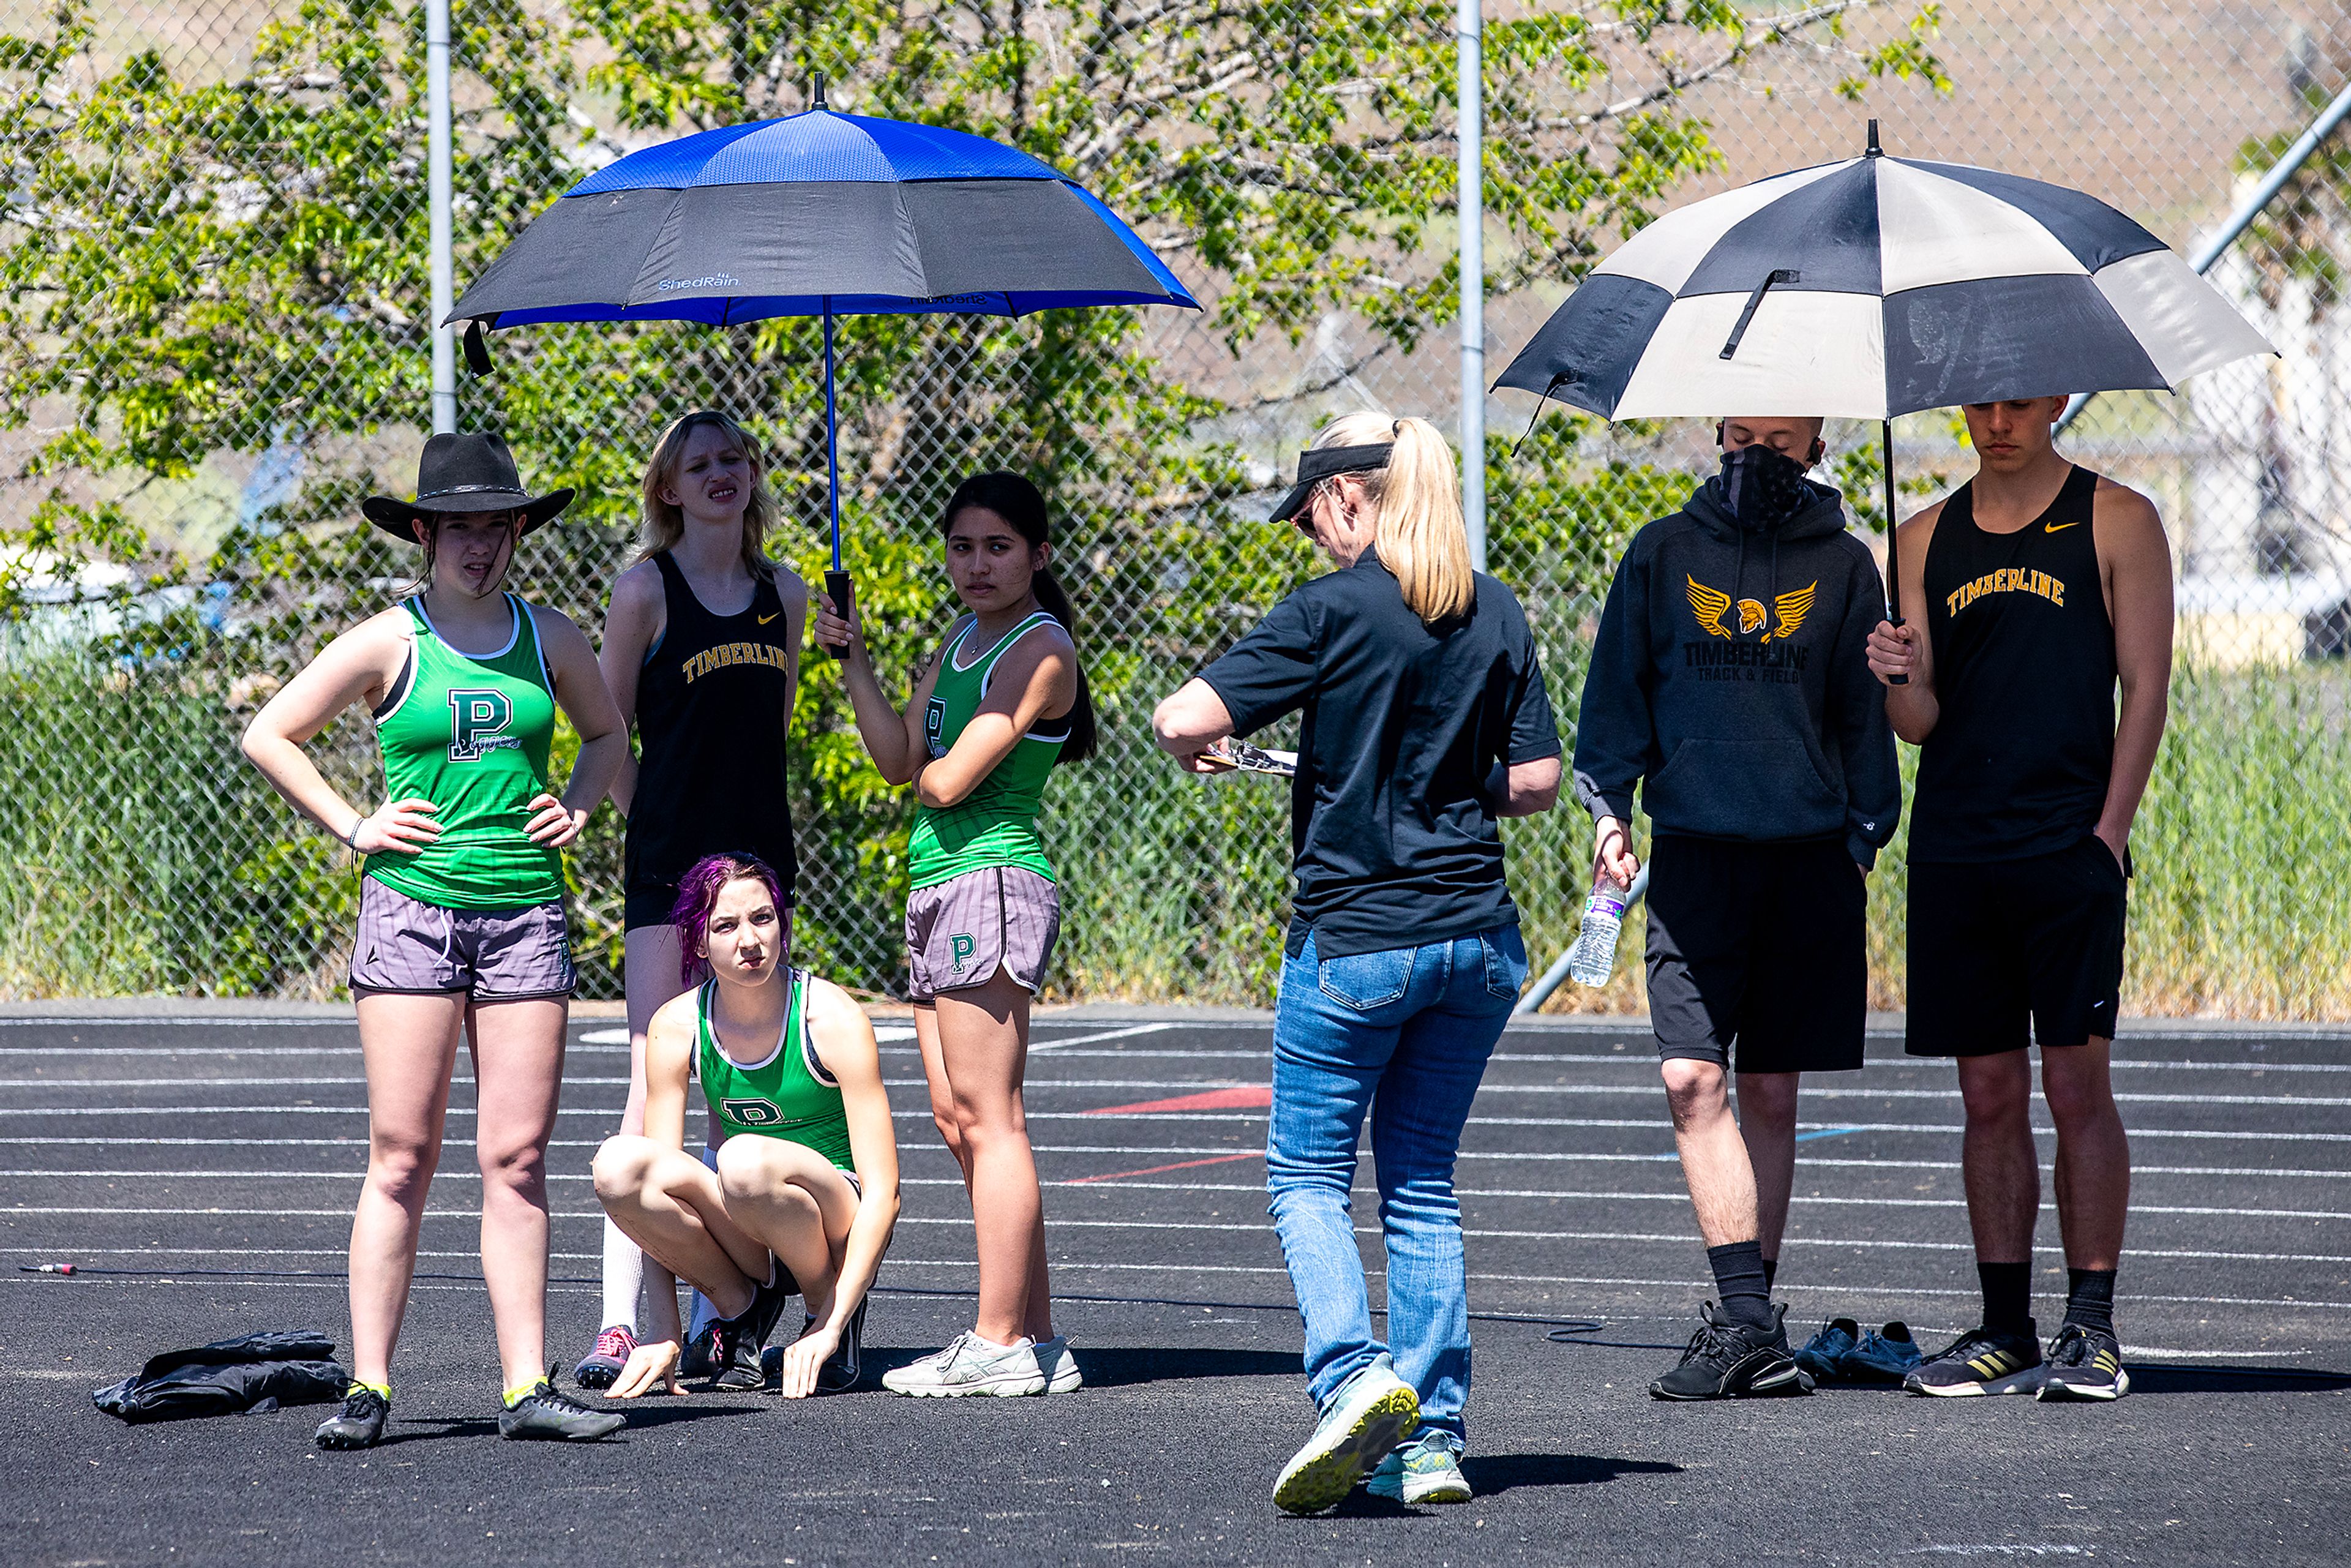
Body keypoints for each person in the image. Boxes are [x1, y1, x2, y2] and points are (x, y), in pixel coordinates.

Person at [1152, 413, 1561, 1514]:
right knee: (1421, 1184)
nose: (1314, 541)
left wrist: (1208, 743)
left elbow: (1179, 714)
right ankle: (1431, 1442)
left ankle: (1351, 1379)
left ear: (1347, 499)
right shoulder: (1497, 605)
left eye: (1313, 519)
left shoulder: (1331, 610)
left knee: (1304, 1179)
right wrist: (1440, 782)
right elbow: (1535, 783)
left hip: (1357, 940)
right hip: (1478, 937)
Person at [239, 431, 629, 1448]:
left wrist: (581, 805)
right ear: (425, 533)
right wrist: (356, 824)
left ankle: (525, 1385)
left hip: (523, 916)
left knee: (516, 1156)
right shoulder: (390, 641)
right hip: (411, 913)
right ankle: (369, 1387)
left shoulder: (550, 636)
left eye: (498, 528)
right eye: (462, 528)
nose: (481, 547)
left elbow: (607, 736)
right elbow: (270, 733)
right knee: (402, 1156)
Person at [1572, 416, 1900, 1400]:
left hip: (1809, 863)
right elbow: (1615, 697)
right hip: (1696, 862)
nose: (1760, 452)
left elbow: (1862, 718)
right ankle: (1749, 1319)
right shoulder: (1662, 552)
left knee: (1771, 1094)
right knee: (1689, 1080)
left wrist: (1862, 837)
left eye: (1784, 437)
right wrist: (1608, 812)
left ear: (1818, 444)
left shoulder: (1846, 566)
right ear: (1717, 432)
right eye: (1745, 433)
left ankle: (1751, 1320)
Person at [1867, 396, 2167, 1402]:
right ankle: (2006, 1329)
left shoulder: (2117, 518)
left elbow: (2148, 684)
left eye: (2019, 403)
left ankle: (2093, 1325)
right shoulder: (1918, 538)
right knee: (1986, 1094)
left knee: (2075, 1087)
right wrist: (1895, 675)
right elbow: (1918, 724)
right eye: (1981, 406)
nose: (1999, 422)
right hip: (1958, 852)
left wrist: (2109, 835)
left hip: (2067, 850)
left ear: (2053, 404)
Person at [814, 471, 1093, 1397]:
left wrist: (934, 758)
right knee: (956, 1119)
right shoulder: (958, 638)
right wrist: (851, 658)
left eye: (999, 547)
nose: (977, 565)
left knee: (990, 1117)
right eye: (963, 547)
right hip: (937, 882)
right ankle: (1037, 1338)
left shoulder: (1039, 647)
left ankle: (1000, 1341)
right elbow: (900, 759)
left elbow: (946, 783)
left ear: (1039, 555)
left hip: (993, 883)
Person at [574, 411, 810, 1391]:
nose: (721, 475)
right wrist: (657, 827)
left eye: (734, 460)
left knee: (751, 1089)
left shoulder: (785, 594)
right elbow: (606, 731)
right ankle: (622, 1325)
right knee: (651, 1092)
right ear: (667, 486)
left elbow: (777, 722)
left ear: (754, 475)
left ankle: (735, 1307)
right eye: (698, 464)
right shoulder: (644, 589)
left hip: (760, 879)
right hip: (669, 881)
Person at [591, 854, 900, 1398]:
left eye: (763, 918)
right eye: (726, 926)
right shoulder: (676, 1024)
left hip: (832, 1217)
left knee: (743, 1160)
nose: (749, 940)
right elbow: (660, 1181)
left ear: (783, 921)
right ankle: (742, 1308)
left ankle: (824, 1309)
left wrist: (832, 1321)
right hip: (748, 1215)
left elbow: (886, 1194)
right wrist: (663, 1329)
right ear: (698, 941)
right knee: (619, 1166)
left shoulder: (833, 1017)